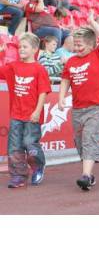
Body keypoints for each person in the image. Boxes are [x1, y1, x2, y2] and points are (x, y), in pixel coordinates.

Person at [58, 11, 99, 191]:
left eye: (80, 45)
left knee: (90, 137)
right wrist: (61, 98)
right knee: (80, 141)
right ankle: (89, 173)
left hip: (97, 107)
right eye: (75, 45)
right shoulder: (71, 62)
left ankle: (86, 176)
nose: (76, 49)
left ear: (91, 44)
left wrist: (91, 22)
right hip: (78, 108)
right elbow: (66, 80)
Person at [0, 32, 51, 188]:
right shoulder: (13, 67)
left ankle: (37, 167)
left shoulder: (39, 69)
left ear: (35, 49)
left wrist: (37, 111)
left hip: (32, 116)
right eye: (20, 46)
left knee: (30, 143)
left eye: (25, 46)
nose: (21, 49)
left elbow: (43, 91)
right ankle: (18, 176)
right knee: (14, 146)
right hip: (16, 114)